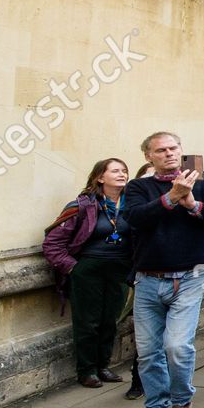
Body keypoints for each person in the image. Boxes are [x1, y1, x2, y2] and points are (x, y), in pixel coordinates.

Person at [124, 132, 204, 408]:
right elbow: (134, 219)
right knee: (148, 352)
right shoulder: (138, 187)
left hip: (189, 277)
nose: (169, 154)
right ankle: (157, 406)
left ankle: (181, 403)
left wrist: (193, 203)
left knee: (176, 346)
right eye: (161, 150)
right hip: (148, 279)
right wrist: (170, 198)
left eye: (174, 148)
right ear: (149, 156)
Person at [42, 157, 132, 388]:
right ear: (100, 177)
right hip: (88, 270)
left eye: (124, 170)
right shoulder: (83, 205)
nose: (122, 174)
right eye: (115, 171)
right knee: (87, 322)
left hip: (119, 270)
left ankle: (103, 365)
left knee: (110, 320)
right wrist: (73, 267)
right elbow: (52, 243)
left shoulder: (132, 205)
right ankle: (86, 370)